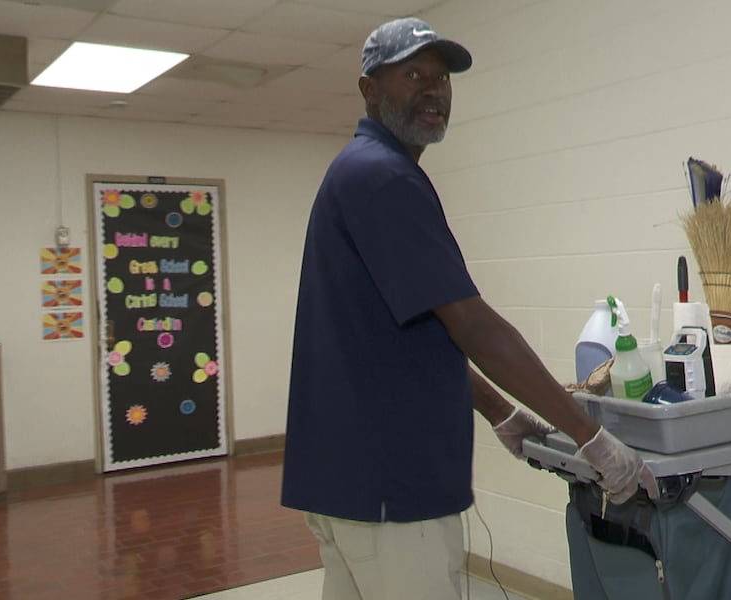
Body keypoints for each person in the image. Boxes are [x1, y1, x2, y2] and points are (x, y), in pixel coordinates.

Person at [281, 17, 657, 600]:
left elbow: (409, 332)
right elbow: (472, 325)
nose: (434, 90)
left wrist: (499, 410)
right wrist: (591, 437)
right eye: (413, 75)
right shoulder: (384, 179)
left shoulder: (360, 172)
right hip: (392, 491)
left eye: (442, 78)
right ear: (369, 90)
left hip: (347, 484)